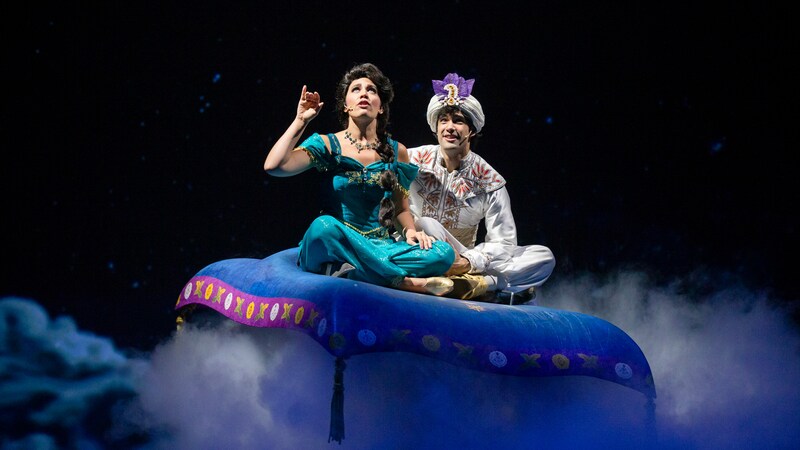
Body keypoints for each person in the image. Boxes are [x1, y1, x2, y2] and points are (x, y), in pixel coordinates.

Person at [263, 63, 455, 296]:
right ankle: (400, 281)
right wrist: (301, 121)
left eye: (371, 90)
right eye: (356, 89)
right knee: (322, 227)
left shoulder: (397, 151)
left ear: (381, 107)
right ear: (346, 105)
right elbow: (275, 166)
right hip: (335, 243)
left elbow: (400, 208)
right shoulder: (327, 144)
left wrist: (410, 232)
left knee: (442, 253)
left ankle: (350, 273)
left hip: (380, 246)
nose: (364, 93)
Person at [406, 72, 555, 304]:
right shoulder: (412, 160)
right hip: (421, 251)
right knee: (426, 224)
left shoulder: (490, 181)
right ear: (435, 127)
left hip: (464, 259)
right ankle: (485, 287)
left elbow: (504, 243)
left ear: (472, 129)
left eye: (458, 120)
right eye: (443, 120)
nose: (449, 127)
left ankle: (469, 283)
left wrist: (469, 262)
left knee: (543, 258)